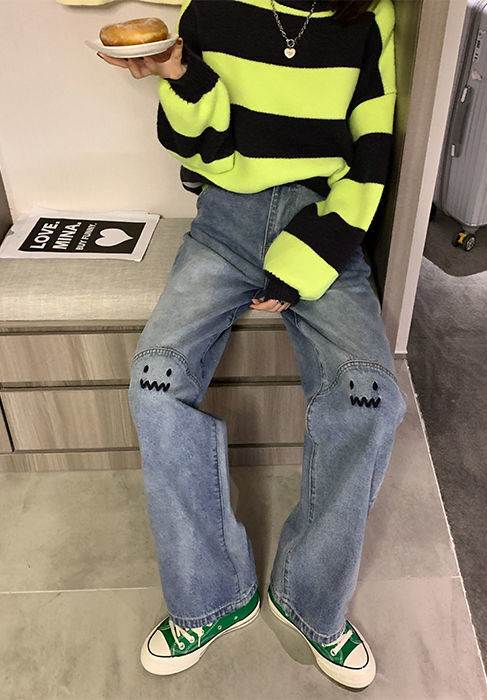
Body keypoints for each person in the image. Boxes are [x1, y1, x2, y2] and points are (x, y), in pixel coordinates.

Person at [98, 0, 407, 689]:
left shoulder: (368, 15)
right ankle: (212, 596)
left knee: (370, 399)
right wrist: (179, 76)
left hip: (322, 220)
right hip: (223, 225)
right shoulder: (210, 6)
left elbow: (371, 152)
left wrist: (307, 258)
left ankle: (310, 599)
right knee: (153, 383)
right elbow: (199, 153)